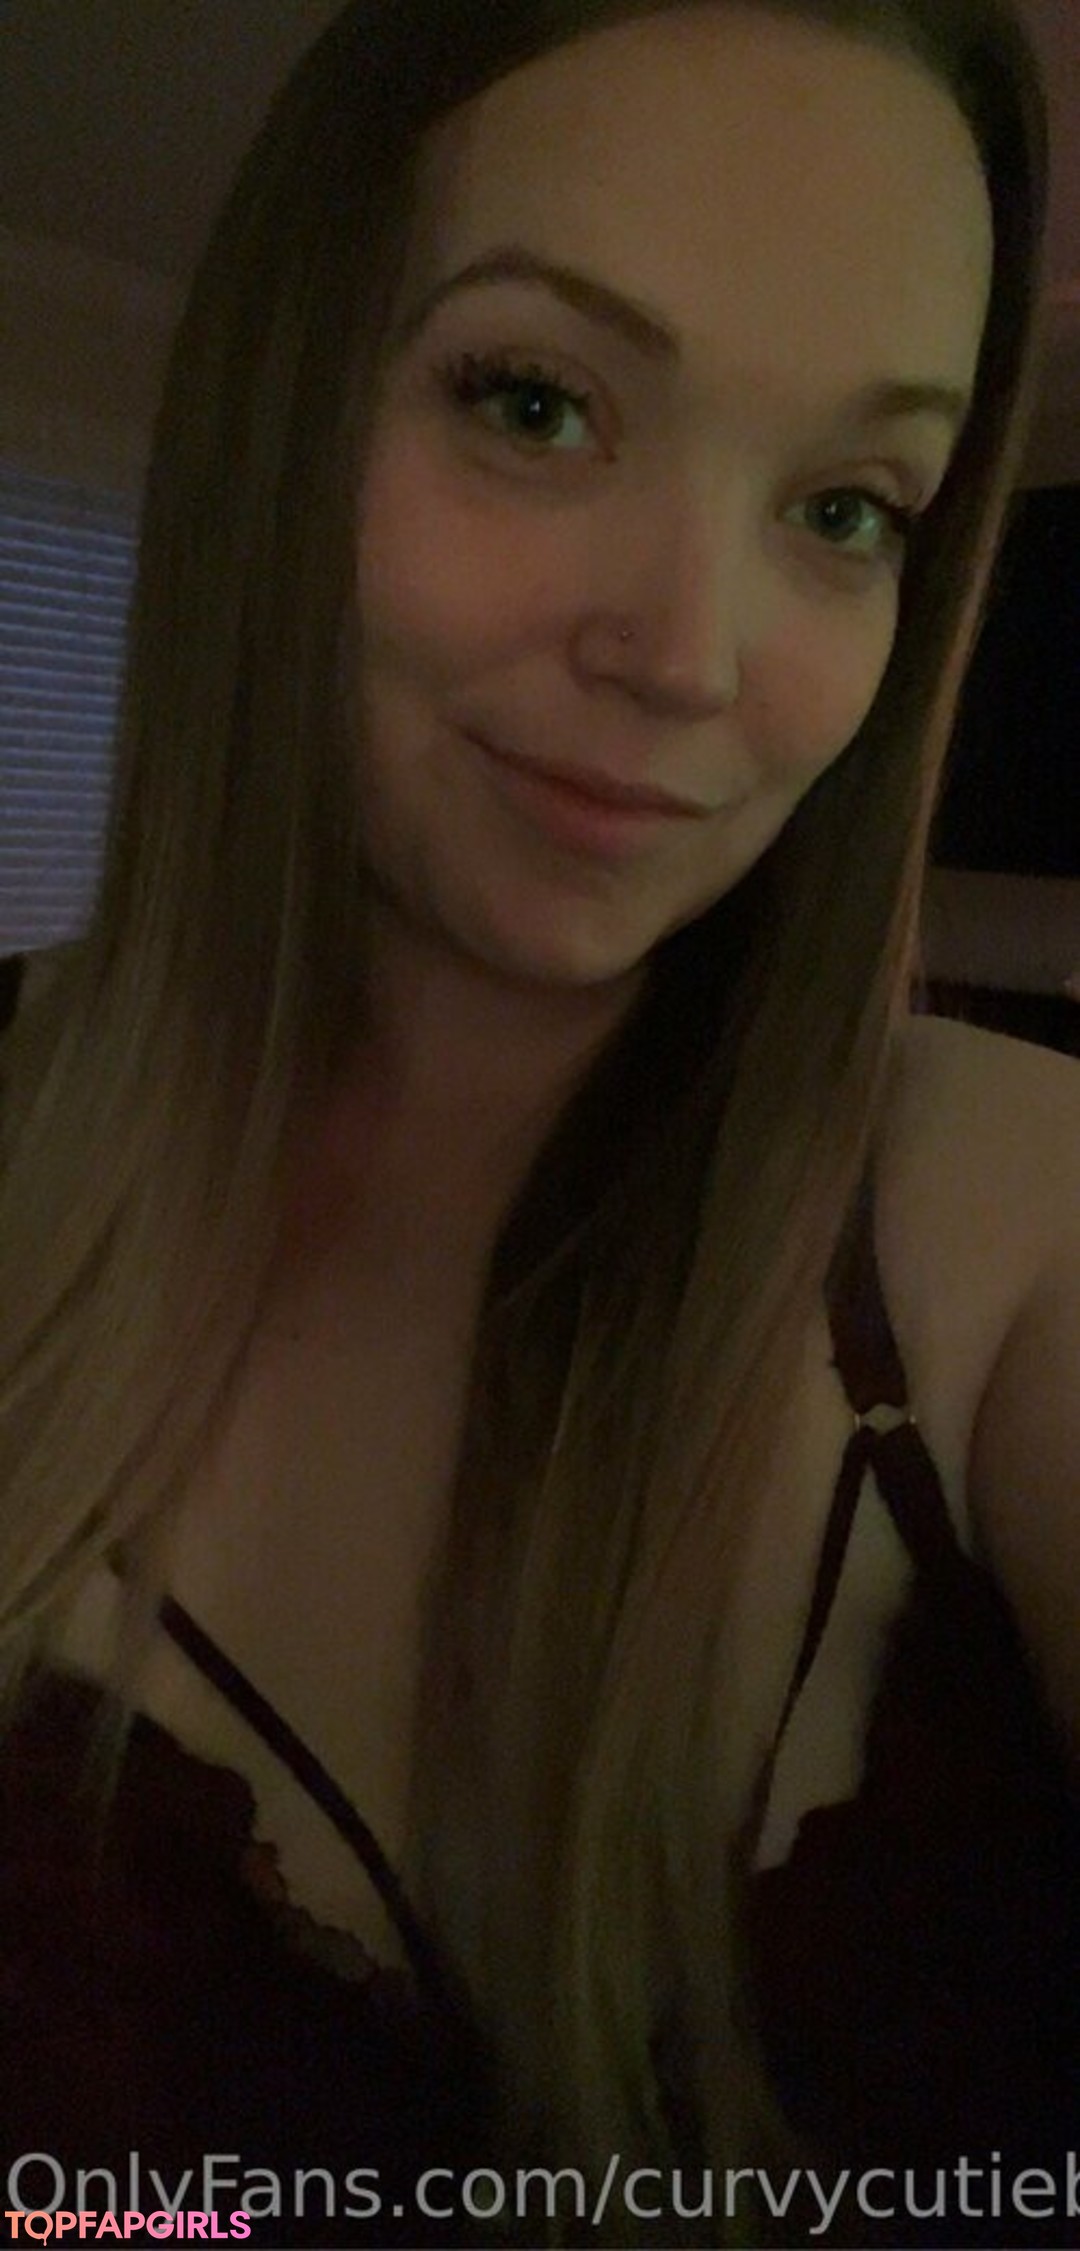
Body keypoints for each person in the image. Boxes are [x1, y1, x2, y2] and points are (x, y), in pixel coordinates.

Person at [1, 2, 1078, 2246]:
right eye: (534, 402)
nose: (694, 652)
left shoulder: (1001, 1223)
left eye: (845, 509)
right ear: (285, 407)